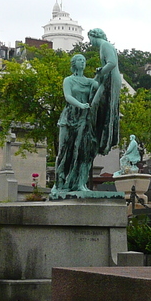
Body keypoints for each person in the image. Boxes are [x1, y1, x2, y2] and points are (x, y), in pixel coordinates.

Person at [52, 53, 100, 197]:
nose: (83, 62)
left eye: (84, 60)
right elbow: (68, 96)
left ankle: (80, 183)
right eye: (80, 60)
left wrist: (101, 73)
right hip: (69, 117)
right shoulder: (68, 80)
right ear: (74, 63)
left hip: (84, 119)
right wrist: (81, 105)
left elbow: (100, 87)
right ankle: (59, 183)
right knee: (64, 150)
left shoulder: (90, 82)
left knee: (82, 151)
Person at [87, 28, 121, 156]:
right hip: (107, 78)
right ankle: (99, 137)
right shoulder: (104, 47)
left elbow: (111, 63)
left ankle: (103, 140)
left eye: (90, 38)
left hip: (111, 79)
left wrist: (100, 72)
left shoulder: (105, 45)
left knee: (100, 106)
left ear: (94, 36)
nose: (90, 42)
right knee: (97, 105)